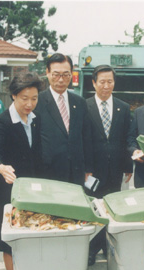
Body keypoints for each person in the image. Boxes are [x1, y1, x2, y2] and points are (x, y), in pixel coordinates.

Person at [0, 73, 43, 270]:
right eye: (24, 98)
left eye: (34, 98)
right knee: (9, 239)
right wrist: (0, 167)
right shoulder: (2, 121)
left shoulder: (36, 119)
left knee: (29, 235)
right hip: (7, 190)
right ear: (13, 96)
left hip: (30, 189)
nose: (29, 104)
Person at [85, 65, 133, 266]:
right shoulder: (84, 106)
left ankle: (108, 245)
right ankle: (92, 248)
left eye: (110, 81)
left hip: (115, 169)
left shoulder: (123, 107)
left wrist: (128, 167)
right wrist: (85, 168)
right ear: (94, 83)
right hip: (92, 170)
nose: (106, 86)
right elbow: (82, 139)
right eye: (102, 81)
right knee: (94, 208)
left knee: (112, 207)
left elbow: (127, 138)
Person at [35, 53, 92, 185]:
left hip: (76, 172)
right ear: (47, 73)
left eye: (65, 75)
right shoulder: (37, 102)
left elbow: (86, 137)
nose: (61, 80)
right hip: (47, 173)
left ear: (71, 74)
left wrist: (88, 167)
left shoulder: (80, 102)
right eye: (56, 74)